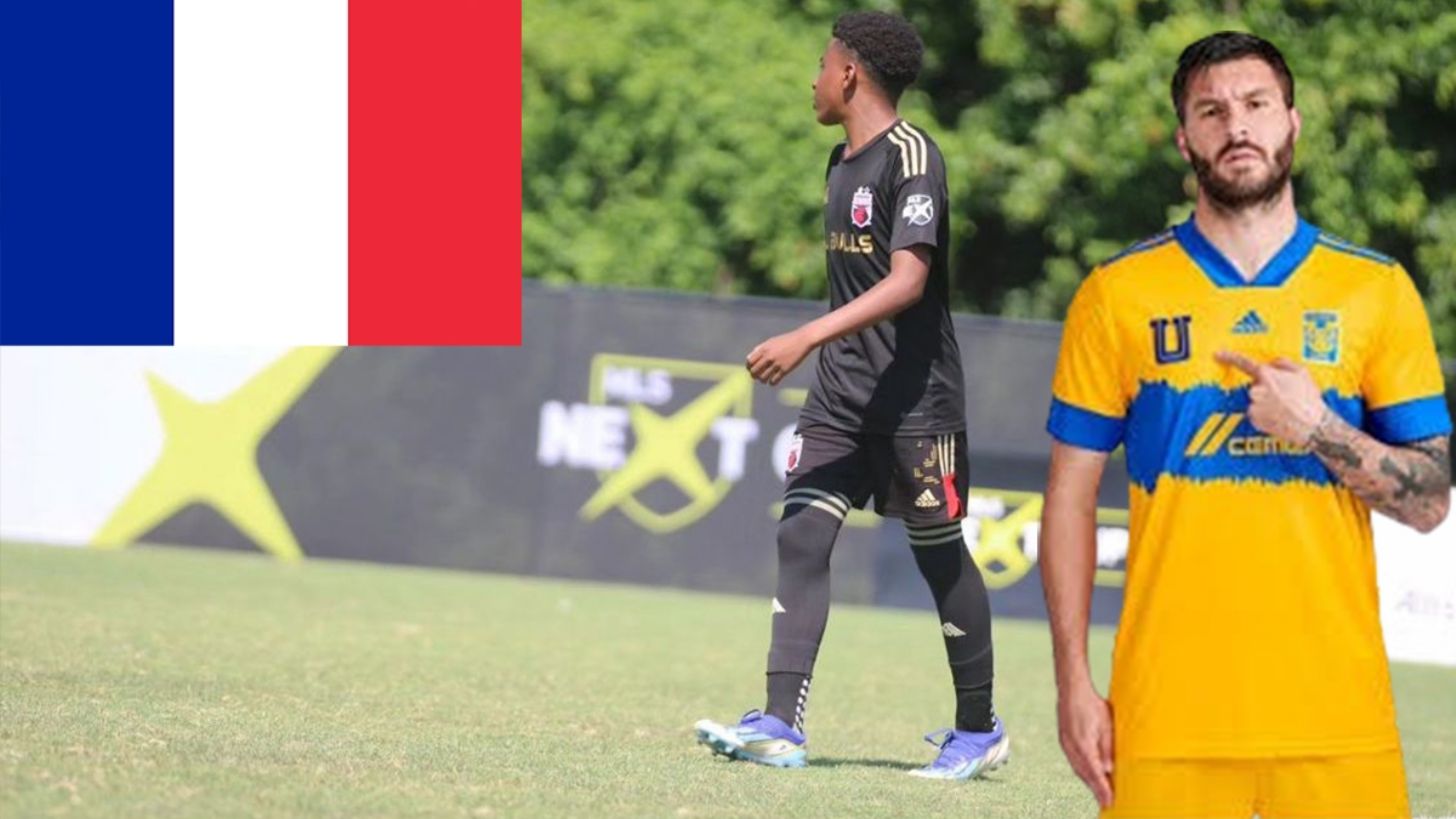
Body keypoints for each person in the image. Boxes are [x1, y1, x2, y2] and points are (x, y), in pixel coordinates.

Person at [1040, 31, 1451, 817]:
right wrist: (1073, 683)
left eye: (1257, 104)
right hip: (1164, 715)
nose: (1237, 125)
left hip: (1338, 717)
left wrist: (1317, 427)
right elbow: (1069, 497)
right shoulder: (1117, 294)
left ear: (1292, 121)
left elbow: (1430, 501)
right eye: (1212, 110)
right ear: (1184, 138)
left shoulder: (1377, 291)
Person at [692, 10, 1006, 779]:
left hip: (917, 401)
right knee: (801, 535)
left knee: (939, 556)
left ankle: (979, 728)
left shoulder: (915, 156)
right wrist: (825, 351)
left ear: (850, 73)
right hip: (840, 396)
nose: (813, 80)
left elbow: (908, 281)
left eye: (821, 63)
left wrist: (806, 336)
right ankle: (780, 724)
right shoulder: (839, 162)